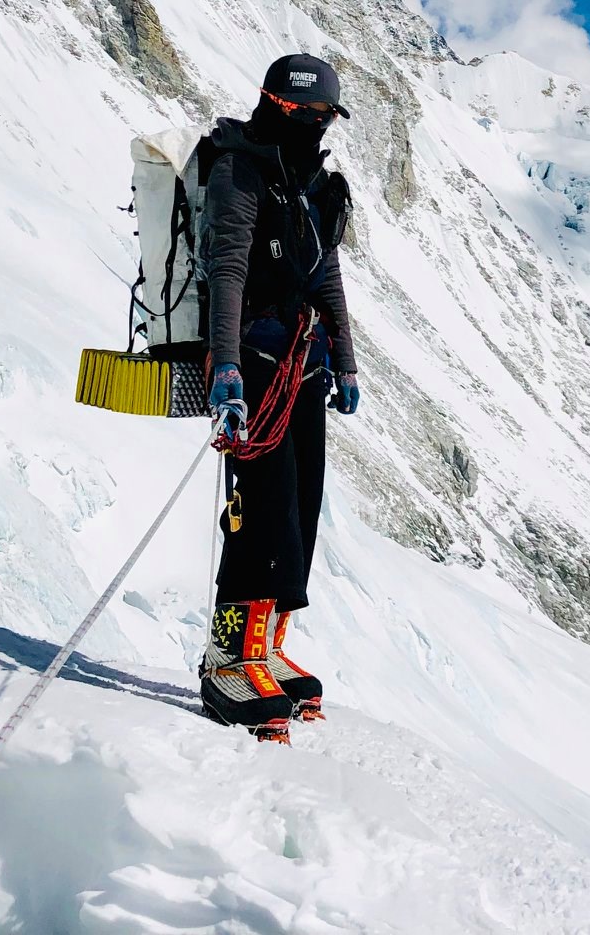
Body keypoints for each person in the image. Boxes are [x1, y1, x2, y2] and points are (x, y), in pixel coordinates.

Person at [197, 53, 361, 741]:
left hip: (303, 364)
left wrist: (344, 363)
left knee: (297, 511)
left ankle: (262, 649)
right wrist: (226, 368)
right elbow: (227, 268)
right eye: (314, 114)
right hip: (257, 364)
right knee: (260, 512)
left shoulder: (313, 182)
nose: (322, 126)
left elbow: (326, 276)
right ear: (284, 107)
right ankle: (227, 661)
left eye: (328, 117)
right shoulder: (240, 169)